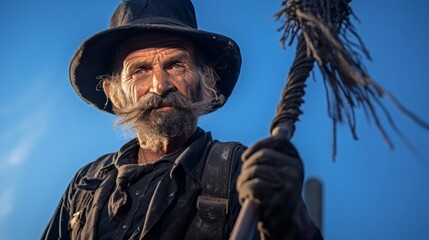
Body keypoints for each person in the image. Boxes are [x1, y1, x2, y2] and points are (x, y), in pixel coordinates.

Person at [42, 0, 322, 239]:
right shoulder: (86, 185)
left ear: (206, 80)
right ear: (113, 93)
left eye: (176, 65)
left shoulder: (241, 172)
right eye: (139, 70)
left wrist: (288, 219)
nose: (160, 85)